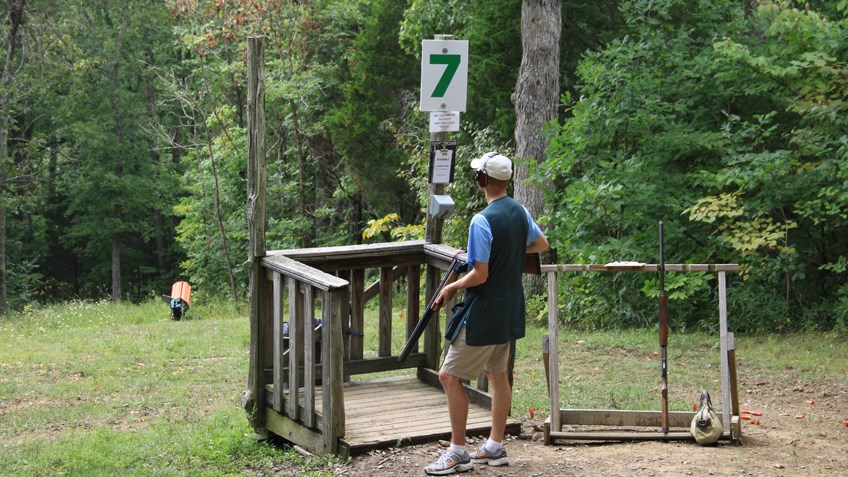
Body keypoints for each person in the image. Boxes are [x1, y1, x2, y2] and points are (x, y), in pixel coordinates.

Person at [424, 152, 548, 476]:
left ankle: (457, 451)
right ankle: (494, 445)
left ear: (482, 180)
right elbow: (540, 243)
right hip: (509, 311)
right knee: (498, 375)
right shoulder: (520, 212)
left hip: (484, 311)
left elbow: (479, 275)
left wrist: (451, 288)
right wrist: (507, 250)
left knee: (448, 376)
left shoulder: (482, 220)